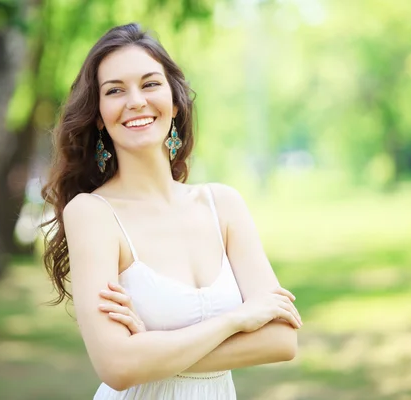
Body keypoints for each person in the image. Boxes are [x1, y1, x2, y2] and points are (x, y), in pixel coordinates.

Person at [41, 23, 302, 399]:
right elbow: (116, 367)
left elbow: (281, 339)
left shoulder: (222, 205)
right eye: (115, 90)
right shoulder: (93, 214)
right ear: (99, 115)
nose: (135, 101)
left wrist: (150, 348)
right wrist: (236, 320)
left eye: (150, 84)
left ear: (175, 101)